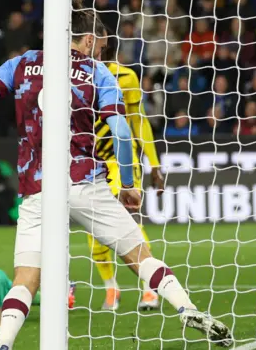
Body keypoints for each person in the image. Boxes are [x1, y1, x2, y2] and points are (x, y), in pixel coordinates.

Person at [0, 0, 233, 349]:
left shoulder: (20, 64)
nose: (101, 49)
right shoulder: (99, 73)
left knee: (25, 280)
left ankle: (3, 345)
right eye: (101, 43)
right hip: (85, 184)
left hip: (36, 188)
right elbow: (123, 133)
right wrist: (127, 185)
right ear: (88, 39)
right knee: (141, 257)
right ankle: (185, 308)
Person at [90, 36, 165, 311]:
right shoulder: (75, 76)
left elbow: (138, 121)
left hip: (122, 160)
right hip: (90, 161)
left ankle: (150, 288)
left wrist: (154, 163)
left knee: (126, 221)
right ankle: (111, 288)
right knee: (94, 229)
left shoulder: (126, 76)